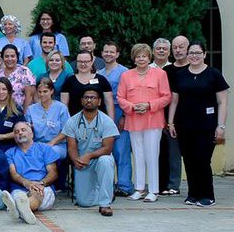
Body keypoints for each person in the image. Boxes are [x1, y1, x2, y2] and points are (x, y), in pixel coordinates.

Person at [167, 41, 228, 207]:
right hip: (184, 125)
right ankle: (193, 194)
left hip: (207, 125)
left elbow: (222, 102)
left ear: (204, 54)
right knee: (189, 159)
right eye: (191, 53)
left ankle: (207, 195)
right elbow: (174, 101)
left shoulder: (214, 74)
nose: (194, 56)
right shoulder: (181, 75)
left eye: (197, 53)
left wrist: (221, 126)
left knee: (202, 159)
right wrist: (171, 123)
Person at [117, 44, 171, 202]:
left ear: (149, 57)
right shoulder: (126, 75)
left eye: (144, 56)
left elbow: (166, 96)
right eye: (138, 56)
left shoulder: (160, 74)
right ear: (133, 58)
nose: (141, 59)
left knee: (152, 155)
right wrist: (132, 107)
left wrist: (149, 105)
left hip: (153, 120)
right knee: (138, 155)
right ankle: (139, 188)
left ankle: (153, 190)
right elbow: (120, 97)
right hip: (133, 120)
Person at [63, 87, 119, 216]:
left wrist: (89, 155)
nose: (89, 100)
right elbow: (71, 147)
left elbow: (107, 148)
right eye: (86, 97)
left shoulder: (106, 121)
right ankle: (108, 192)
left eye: (93, 97)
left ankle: (105, 204)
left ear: (99, 101)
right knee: (84, 202)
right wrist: (76, 160)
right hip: (82, 162)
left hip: (98, 159)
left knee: (106, 160)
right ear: (82, 101)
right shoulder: (72, 121)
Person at [2, 122, 59, 224]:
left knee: (37, 192)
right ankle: (23, 209)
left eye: (23, 130)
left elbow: (53, 173)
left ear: (32, 133)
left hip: (43, 186)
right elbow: (13, 174)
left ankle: (19, 208)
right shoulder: (9, 153)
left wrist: (40, 183)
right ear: (14, 137)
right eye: (16, 132)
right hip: (20, 187)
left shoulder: (44, 148)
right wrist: (27, 183)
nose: (20, 133)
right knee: (18, 196)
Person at [97, 41, 132, 196]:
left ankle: (124, 186)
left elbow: (130, 95)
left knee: (121, 150)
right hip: (102, 112)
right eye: (106, 51)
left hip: (120, 111)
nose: (108, 54)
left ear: (117, 54)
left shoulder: (125, 72)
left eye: (112, 52)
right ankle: (108, 184)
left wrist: (124, 116)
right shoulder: (99, 73)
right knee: (105, 150)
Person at [160, 35, 189, 196]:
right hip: (171, 119)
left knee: (195, 155)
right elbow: (165, 95)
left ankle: (197, 186)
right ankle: (173, 185)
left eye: (181, 47)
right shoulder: (167, 71)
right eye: (175, 47)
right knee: (173, 155)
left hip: (193, 118)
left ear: (188, 48)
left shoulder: (195, 67)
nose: (178, 50)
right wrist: (167, 121)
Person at [26, 77, 70, 158]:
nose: (42, 94)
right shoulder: (31, 109)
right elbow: (27, 130)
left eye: (45, 91)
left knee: (48, 153)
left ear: (52, 91)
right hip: (37, 145)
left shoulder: (61, 108)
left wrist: (52, 143)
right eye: (39, 92)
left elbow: (66, 131)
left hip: (57, 145)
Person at [61, 50, 114, 116]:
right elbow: (64, 105)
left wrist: (111, 122)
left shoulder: (102, 80)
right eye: (80, 61)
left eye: (86, 61)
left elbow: (109, 103)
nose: (83, 64)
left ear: (91, 62)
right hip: (75, 122)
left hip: (99, 122)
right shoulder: (69, 81)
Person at [0, 78, 26, 151]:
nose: (1, 92)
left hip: (11, 147)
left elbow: (22, 131)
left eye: (4, 89)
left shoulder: (17, 110)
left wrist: (4, 136)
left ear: (9, 91)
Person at [0, 45, 36, 110]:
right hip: (3, 112)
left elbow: (29, 96)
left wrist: (24, 115)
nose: (10, 59)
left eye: (12, 56)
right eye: (6, 56)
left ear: (17, 57)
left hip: (21, 112)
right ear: (2, 58)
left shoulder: (24, 71)